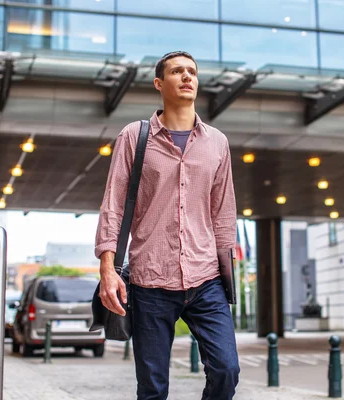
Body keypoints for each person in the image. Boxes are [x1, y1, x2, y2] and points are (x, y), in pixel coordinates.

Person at [95, 51, 239, 400]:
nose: (187, 77)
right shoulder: (134, 136)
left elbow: (223, 212)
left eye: (192, 71)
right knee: (153, 387)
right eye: (178, 71)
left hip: (205, 279)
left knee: (226, 369)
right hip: (150, 279)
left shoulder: (217, 142)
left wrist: (229, 273)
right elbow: (113, 204)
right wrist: (107, 269)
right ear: (160, 83)